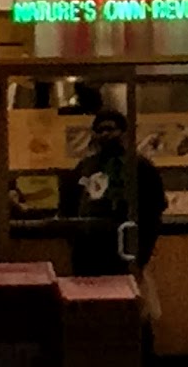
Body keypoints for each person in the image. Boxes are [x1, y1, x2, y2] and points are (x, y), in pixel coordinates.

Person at [61, 109, 166, 278]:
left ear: (123, 133)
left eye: (110, 129)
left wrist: (142, 253)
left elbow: (153, 210)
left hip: (124, 246)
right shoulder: (84, 168)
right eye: (100, 130)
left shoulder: (139, 167)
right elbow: (68, 206)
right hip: (88, 250)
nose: (105, 135)